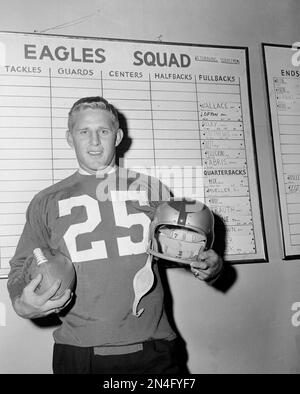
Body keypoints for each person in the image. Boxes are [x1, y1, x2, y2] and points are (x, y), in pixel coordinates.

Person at [7, 96, 223, 374]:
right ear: (69, 138)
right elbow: (18, 269)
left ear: (118, 136)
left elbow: (189, 251)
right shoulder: (45, 201)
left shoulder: (151, 190)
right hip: (79, 353)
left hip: (154, 349)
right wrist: (23, 304)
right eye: (84, 131)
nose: (95, 142)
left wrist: (211, 266)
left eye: (104, 131)